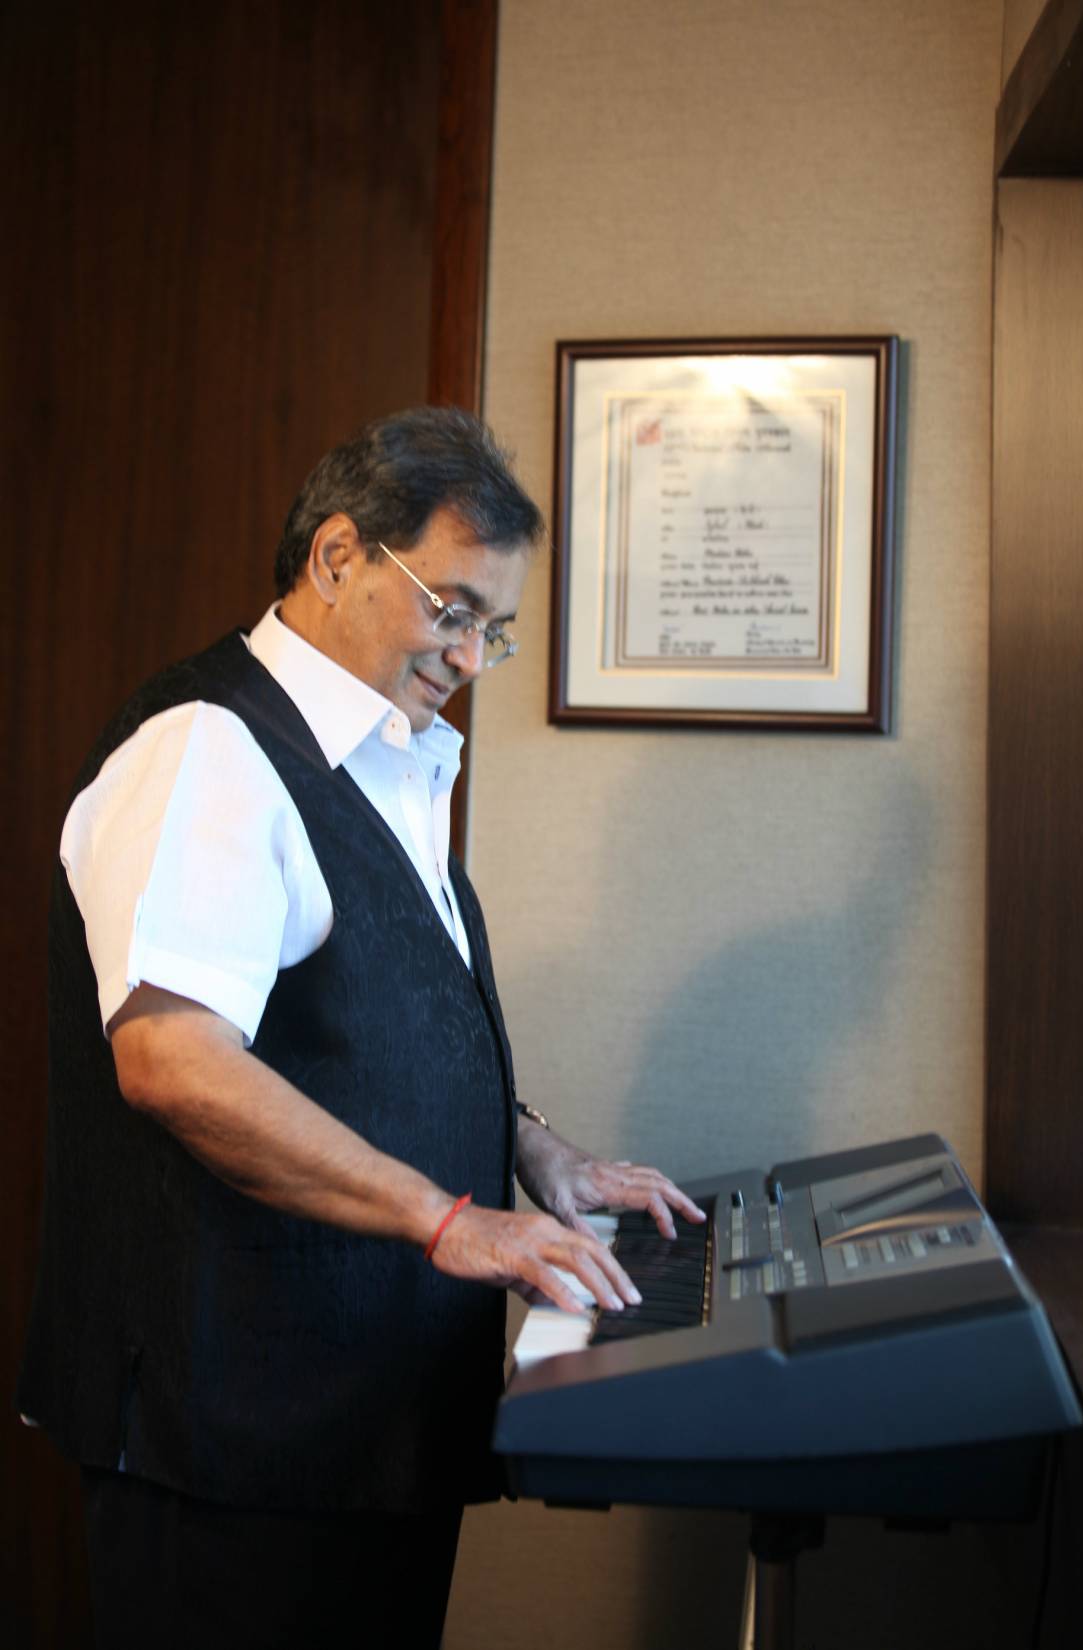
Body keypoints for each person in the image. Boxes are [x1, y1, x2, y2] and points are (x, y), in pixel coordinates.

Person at [19, 407, 704, 1648]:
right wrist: (448, 1219)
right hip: (235, 1434)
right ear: (337, 556)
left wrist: (530, 1150)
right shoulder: (206, 748)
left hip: (367, 1417)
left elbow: (374, 1027)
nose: (470, 655)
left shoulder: (393, 761)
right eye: (451, 610)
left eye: (492, 629)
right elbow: (172, 1060)